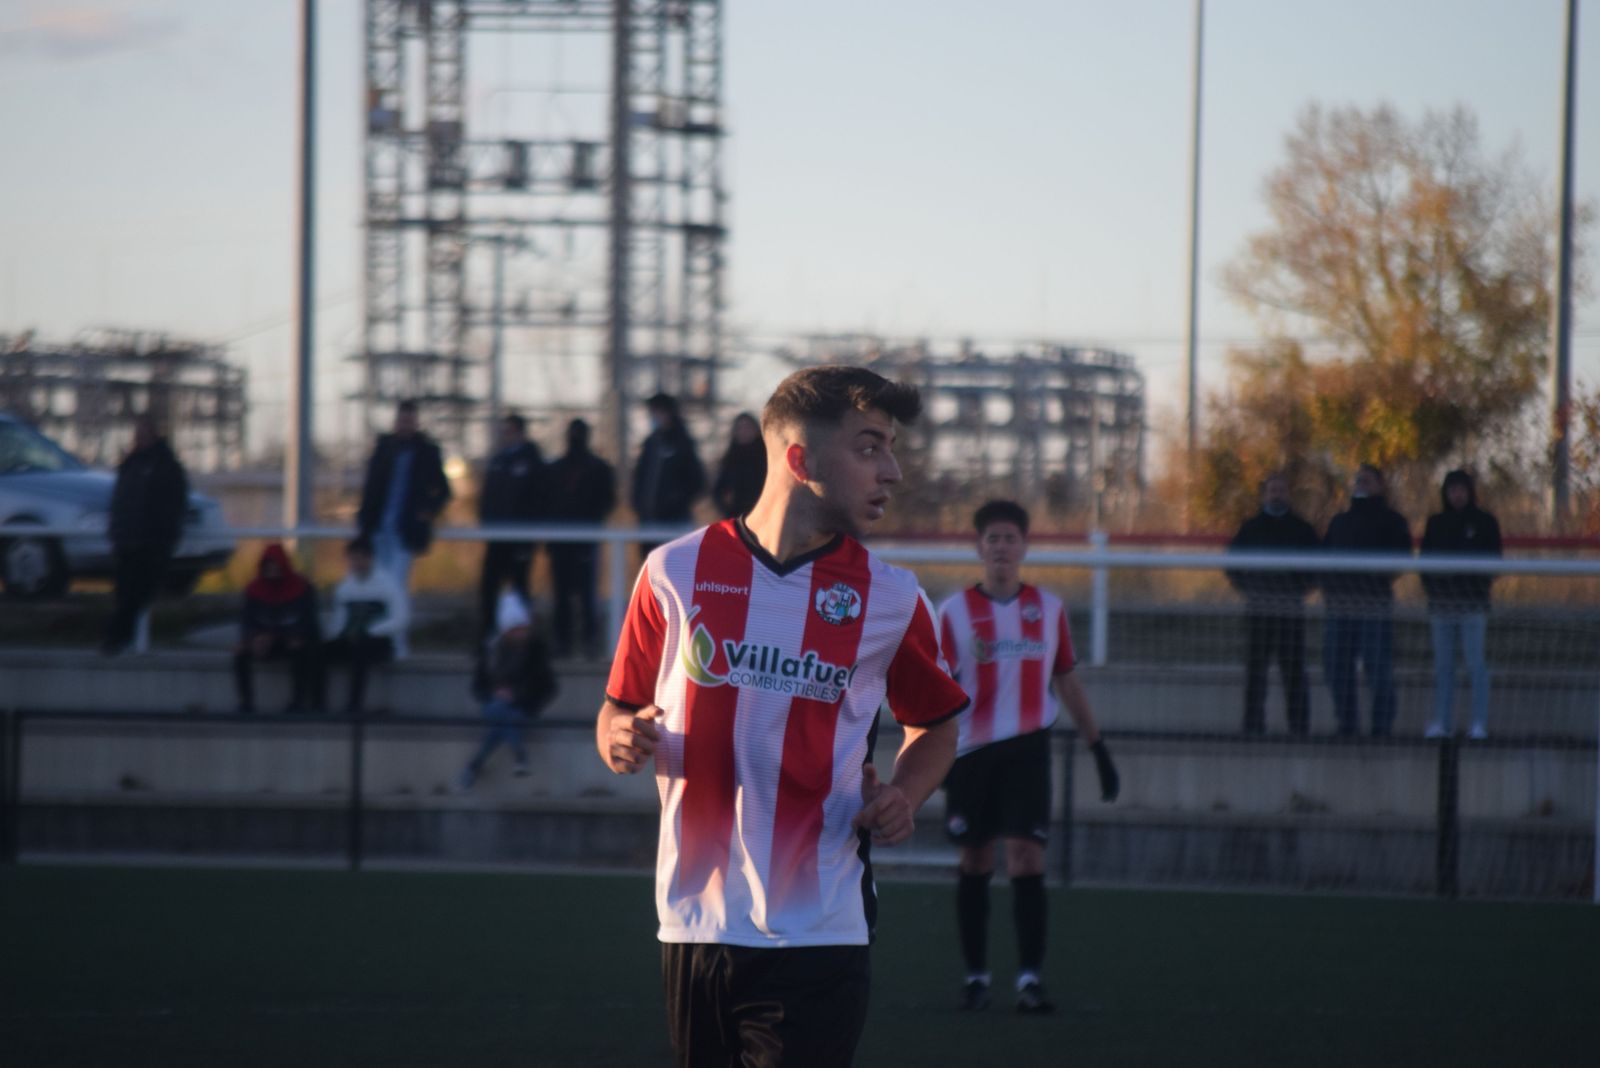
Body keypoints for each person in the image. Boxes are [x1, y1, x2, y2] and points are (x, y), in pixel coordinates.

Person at [597, 365, 968, 1067]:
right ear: (799, 460)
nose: (891, 471)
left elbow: (938, 725)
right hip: (692, 924)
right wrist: (618, 737)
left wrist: (903, 793)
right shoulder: (672, 573)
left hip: (820, 930)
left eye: (892, 449)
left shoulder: (891, 599)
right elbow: (615, 710)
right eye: (869, 447)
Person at [937, 500, 1119, 1016]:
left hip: (1027, 752)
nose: (1000, 547)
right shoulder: (950, 613)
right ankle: (976, 977)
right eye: (991, 538)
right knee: (974, 859)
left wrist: (1097, 747)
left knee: (1026, 857)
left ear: (1024, 547)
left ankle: (1029, 979)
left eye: (1009, 538)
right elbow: (933, 688)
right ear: (979, 547)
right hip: (971, 754)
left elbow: (1066, 679)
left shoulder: (1049, 609)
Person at [1321, 464, 1413, 737]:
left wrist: (1370, 577)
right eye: (1358, 479)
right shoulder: (1340, 522)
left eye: (1368, 480)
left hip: (1374, 605)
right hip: (1339, 606)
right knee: (1337, 666)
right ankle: (1346, 724)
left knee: (1378, 666)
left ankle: (1381, 726)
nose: (1361, 484)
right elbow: (1324, 558)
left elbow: (1400, 559)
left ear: (1380, 485)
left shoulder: (1393, 521)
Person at [1226, 473, 1321, 735]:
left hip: (1290, 612)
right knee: (1256, 673)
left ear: (1287, 494)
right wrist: (1250, 589)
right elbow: (1232, 564)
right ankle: (1252, 727)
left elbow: (1317, 566)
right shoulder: (1249, 528)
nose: (1276, 494)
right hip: (1258, 611)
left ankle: (1299, 728)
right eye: (1272, 490)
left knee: (1294, 673)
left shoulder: (1302, 529)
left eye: (1281, 490)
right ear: (1264, 494)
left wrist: (1299, 590)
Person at [356, 399, 451, 653]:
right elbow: (371, 489)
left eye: (409, 420)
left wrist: (427, 512)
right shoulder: (384, 449)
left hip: (404, 532)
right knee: (377, 585)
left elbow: (442, 490)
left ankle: (396, 641)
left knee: (396, 586)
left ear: (415, 422)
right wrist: (364, 523)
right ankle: (377, 638)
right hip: (379, 530)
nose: (405, 425)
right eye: (402, 420)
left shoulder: (426, 452)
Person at [1420, 470, 1502, 740]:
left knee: (1475, 664)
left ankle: (1479, 722)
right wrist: (1434, 591)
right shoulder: (1436, 523)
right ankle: (1443, 722)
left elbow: (1494, 561)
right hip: (1441, 606)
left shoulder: (1485, 522)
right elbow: (1425, 563)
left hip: (1472, 606)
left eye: (1461, 489)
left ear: (1469, 491)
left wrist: (1474, 587)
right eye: (1452, 489)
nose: (1457, 494)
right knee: (1444, 666)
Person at [102, 415, 189, 656]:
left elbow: (174, 505)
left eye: (143, 434)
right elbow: (120, 503)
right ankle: (118, 638)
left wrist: (164, 537)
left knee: (137, 595)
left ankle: (115, 638)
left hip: (151, 544)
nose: (139, 439)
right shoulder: (130, 466)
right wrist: (117, 533)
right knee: (125, 594)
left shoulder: (166, 467)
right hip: (128, 542)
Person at [456, 591, 559, 790]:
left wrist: (516, 697)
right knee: (499, 710)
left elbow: (546, 686)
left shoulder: (535, 650)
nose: (521, 633)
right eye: (516, 629)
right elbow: (479, 686)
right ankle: (519, 755)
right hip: (495, 705)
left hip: (522, 706)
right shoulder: (492, 650)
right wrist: (497, 694)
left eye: (523, 628)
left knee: (501, 718)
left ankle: (474, 766)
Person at [545, 418, 616, 659]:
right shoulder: (556, 469)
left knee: (587, 594)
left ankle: (589, 642)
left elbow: (607, 500)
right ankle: (563, 641)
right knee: (562, 593)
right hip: (561, 541)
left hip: (586, 539)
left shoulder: (598, 469)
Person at [477, 412, 545, 640]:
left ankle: (522, 639)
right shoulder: (498, 461)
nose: (505, 436)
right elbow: (487, 496)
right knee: (489, 585)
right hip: (497, 538)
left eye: (509, 431)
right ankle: (489, 635)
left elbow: (538, 498)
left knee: (519, 587)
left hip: (520, 539)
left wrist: (529, 530)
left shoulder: (532, 461)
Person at [321, 536, 409, 715]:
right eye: (353, 559)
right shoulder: (345, 587)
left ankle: (354, 706)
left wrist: (370, 631)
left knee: (360, 650)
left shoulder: (388, 584)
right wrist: (333, 638)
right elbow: (339, 621)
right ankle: (318, 703)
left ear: (370, 558)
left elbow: (401, 618)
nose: (357, 563)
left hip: (380, 642)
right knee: (318, 652)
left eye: (360, 558)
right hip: (352, 639)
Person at [233, 543, 322, 714]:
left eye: (276, 566)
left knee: (303, 653)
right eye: (269, 567)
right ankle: (246, 703)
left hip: (292, 640)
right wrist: (251, 639)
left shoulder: (301, 588)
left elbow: (308, 621)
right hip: (264, 641)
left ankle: (298, 702)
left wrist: (293, 636)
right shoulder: (254, 590)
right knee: (240, 655)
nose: (273, 571)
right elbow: (247, 620)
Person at [629, 392, 704, 556]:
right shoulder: (650, 443)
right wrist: (638, 504)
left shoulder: (683, 442)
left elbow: (698, 482)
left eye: (658, 412)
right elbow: (640, 478)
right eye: (652, 412)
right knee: (649, 572)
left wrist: (675, 500)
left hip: (675, 523)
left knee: (675, 569)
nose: (655, 416)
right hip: (648, 521)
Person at [711, 411, 766, 519]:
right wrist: (726, 507)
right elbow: (718, 491)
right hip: (736, 517)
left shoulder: (767, 458)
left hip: (764, 516)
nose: (744, 431)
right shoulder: (729, 459)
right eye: (740, 428)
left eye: (747, 427)